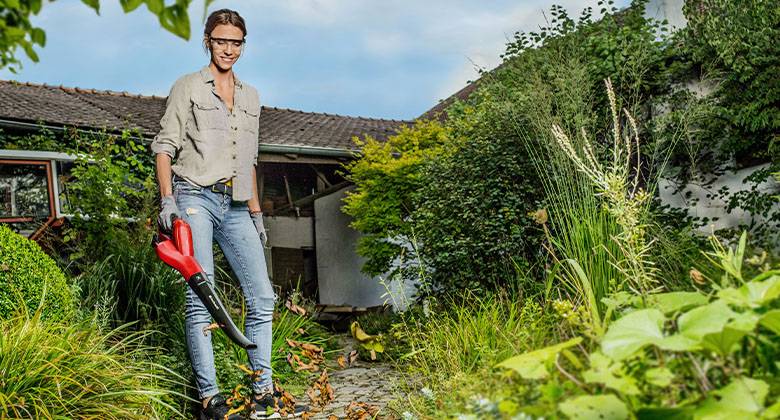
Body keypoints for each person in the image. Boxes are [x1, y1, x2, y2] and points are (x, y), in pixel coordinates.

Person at [151, 8, 305, 420]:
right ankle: (211, 401)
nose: (228, 49)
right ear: (208, 42)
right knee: (204, 294)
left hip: (236, 204)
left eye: (236, 43)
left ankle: (263, 394)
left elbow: (248, 161)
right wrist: (168, 200)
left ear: (243, 45)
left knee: (262, 297)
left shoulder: (251, 96)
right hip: (194, 196)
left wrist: (256, 214)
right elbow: (165, 146)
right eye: (221, 41)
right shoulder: (188, 87)